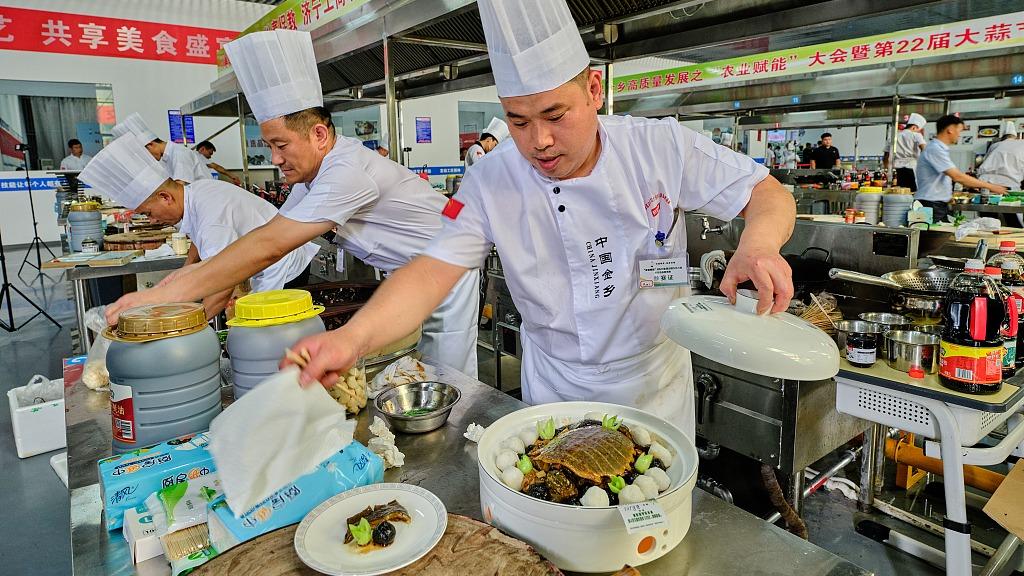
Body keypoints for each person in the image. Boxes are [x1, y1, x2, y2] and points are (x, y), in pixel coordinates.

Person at [282, 0, 796, 440]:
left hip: (651, 382)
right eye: (518, 121)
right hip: (554, 385)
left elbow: (765, 193)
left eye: (555, 115)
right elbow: (430, 272)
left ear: (593, 89)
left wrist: (759, 244)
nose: (540, 142)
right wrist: (352, 339)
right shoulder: (491, 179)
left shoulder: (657, 147)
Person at [104, 30, 480, 377]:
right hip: (407, 276)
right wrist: (175, 284)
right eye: (269, 146)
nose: (275, 158)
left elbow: (271, 246)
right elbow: (267, 234)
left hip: (447, 273)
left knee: (448, 376)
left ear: (319, 135)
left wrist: (164, 295)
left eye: (280, 145)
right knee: (418, 371)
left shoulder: (347, 171)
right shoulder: (312, 177)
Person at [79, 134, 318, 316]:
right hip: (266, 262)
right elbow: (200, 244)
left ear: (165, 197)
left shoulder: (211, 216)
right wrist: (186, 270)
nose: (152, 221)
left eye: (148, 213)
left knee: (269, 334)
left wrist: (191, 325)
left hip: (285, 269)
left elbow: (223, 280)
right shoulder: (194, 193)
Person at [915, 114, 1007, 223]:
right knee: (934, 233)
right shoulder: (935, 149)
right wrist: (991, 186)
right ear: (950, 130)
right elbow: (957, 176)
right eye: (959, 131)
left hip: (936, 203)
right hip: (931, 204)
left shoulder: (938, 148)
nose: (959, 135)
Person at [112, 113, 213, 184]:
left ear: (150, 145)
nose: (147, 157)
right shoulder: (167, 156)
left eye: (145, 153)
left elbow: (179, 186)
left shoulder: (179, 153)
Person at [978, 121, 1024, 225]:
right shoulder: (1021, 144)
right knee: (1013, 222)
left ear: (1002, 138)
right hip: (1007, 186)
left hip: (986, 186)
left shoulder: (994, 145)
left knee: (987, 222)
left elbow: (986, 161)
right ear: (1015, 137)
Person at [882, 113, 928, 191]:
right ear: (914, 127)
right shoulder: (916, 135)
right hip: (912, 169)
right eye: (918, 130)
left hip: (897, 170)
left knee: (901, 193)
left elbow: (886, 156)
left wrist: (886, 170)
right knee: (913, 193)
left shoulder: (893, 137)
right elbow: (925, 150)